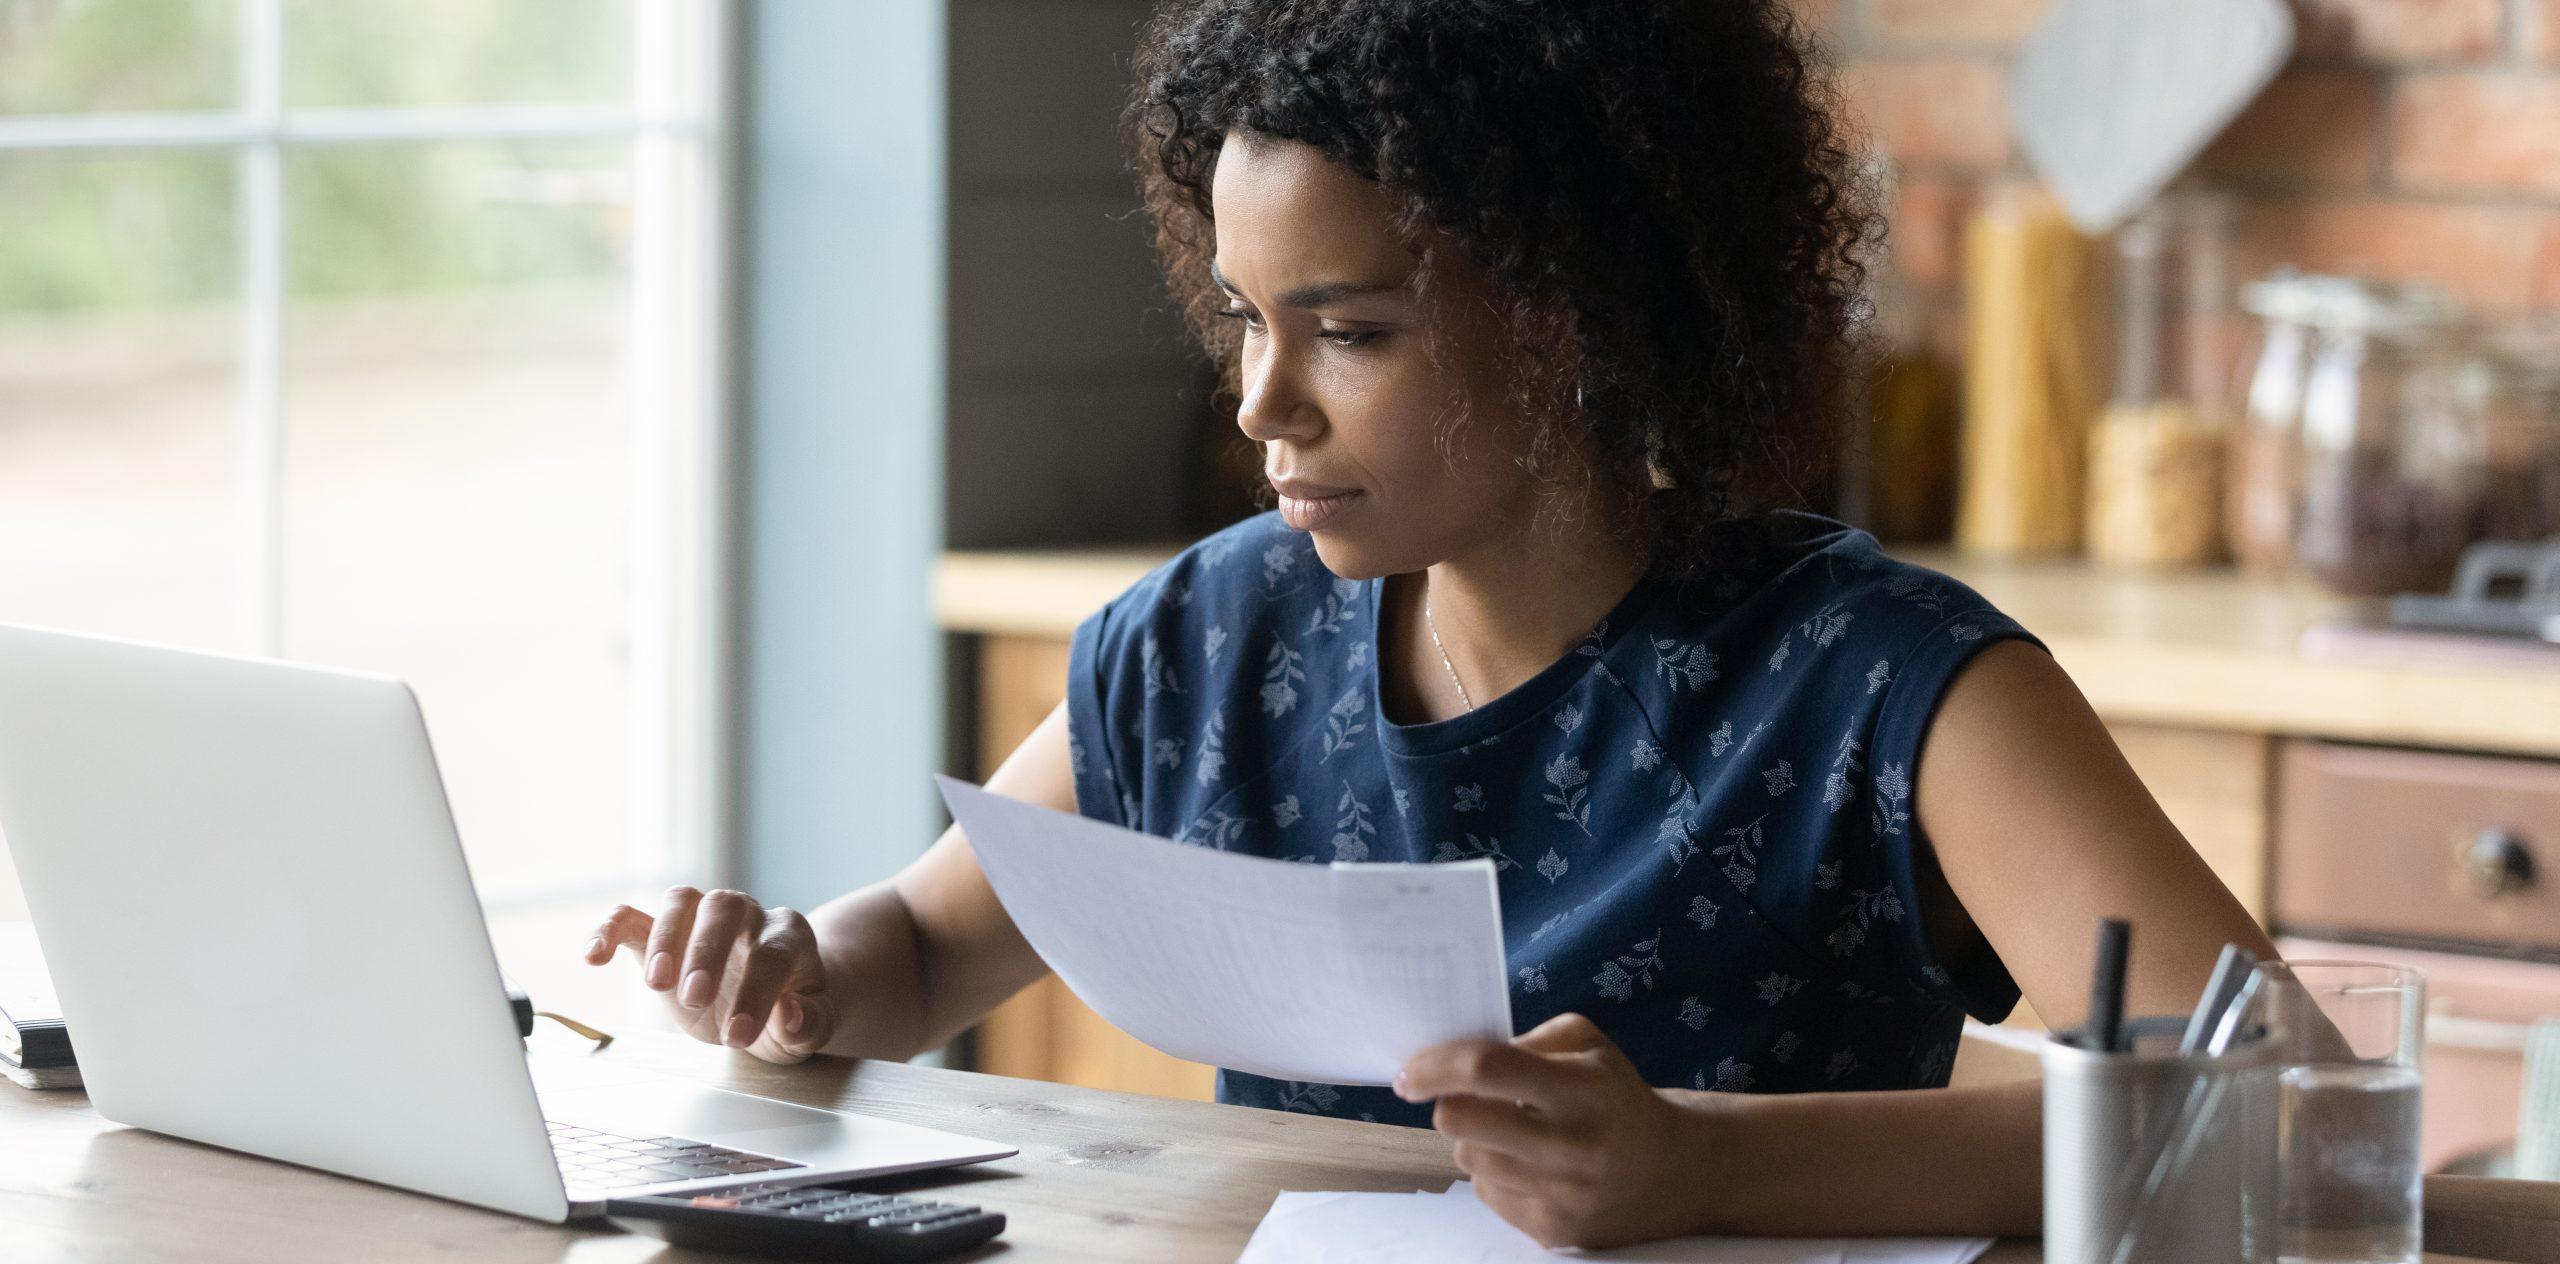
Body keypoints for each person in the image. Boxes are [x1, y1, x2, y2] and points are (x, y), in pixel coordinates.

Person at [588, 0, 2273, 1247]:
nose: (1263, 403)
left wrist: (1702, 1166)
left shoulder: (1883, 684)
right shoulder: (1212, 640)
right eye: (1247, 318)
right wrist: (795, 972)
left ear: (1583, 317)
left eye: (1354, 331)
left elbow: (2258, 1109)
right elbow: (935, 944)